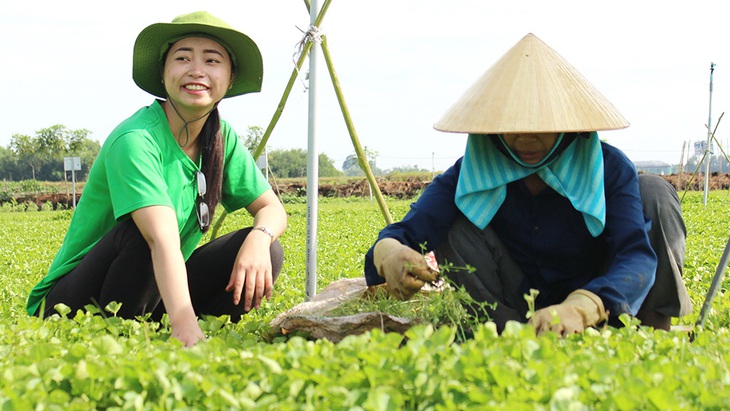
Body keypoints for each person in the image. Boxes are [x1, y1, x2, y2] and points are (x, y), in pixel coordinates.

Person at [364, 33, 692, 336]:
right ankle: (510, 341)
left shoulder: (607, 168)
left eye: (540, 125)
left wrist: (582, 307)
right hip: (516, 306)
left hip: (602, 302)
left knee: (654, 192)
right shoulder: (475, 172)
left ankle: (651, 333)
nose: (525, 137)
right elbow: (405, 232)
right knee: (457, 217)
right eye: (513, 126)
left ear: (568, 125)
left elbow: (635, 256)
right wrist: (390, 254)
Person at [26, 11, 287, 347]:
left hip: (153, 285)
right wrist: (184, 324)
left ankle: (177, 330)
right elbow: (161, 239)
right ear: (163, 74)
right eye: (182, 58)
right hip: (70, 303)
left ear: (231, 77)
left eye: (212, 60)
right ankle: (164, 334)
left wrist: (260, 237)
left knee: (268, 249)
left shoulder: (221, 138)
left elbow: (272, 208)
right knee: (142, 234)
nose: (197, 70)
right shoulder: (136, 139)